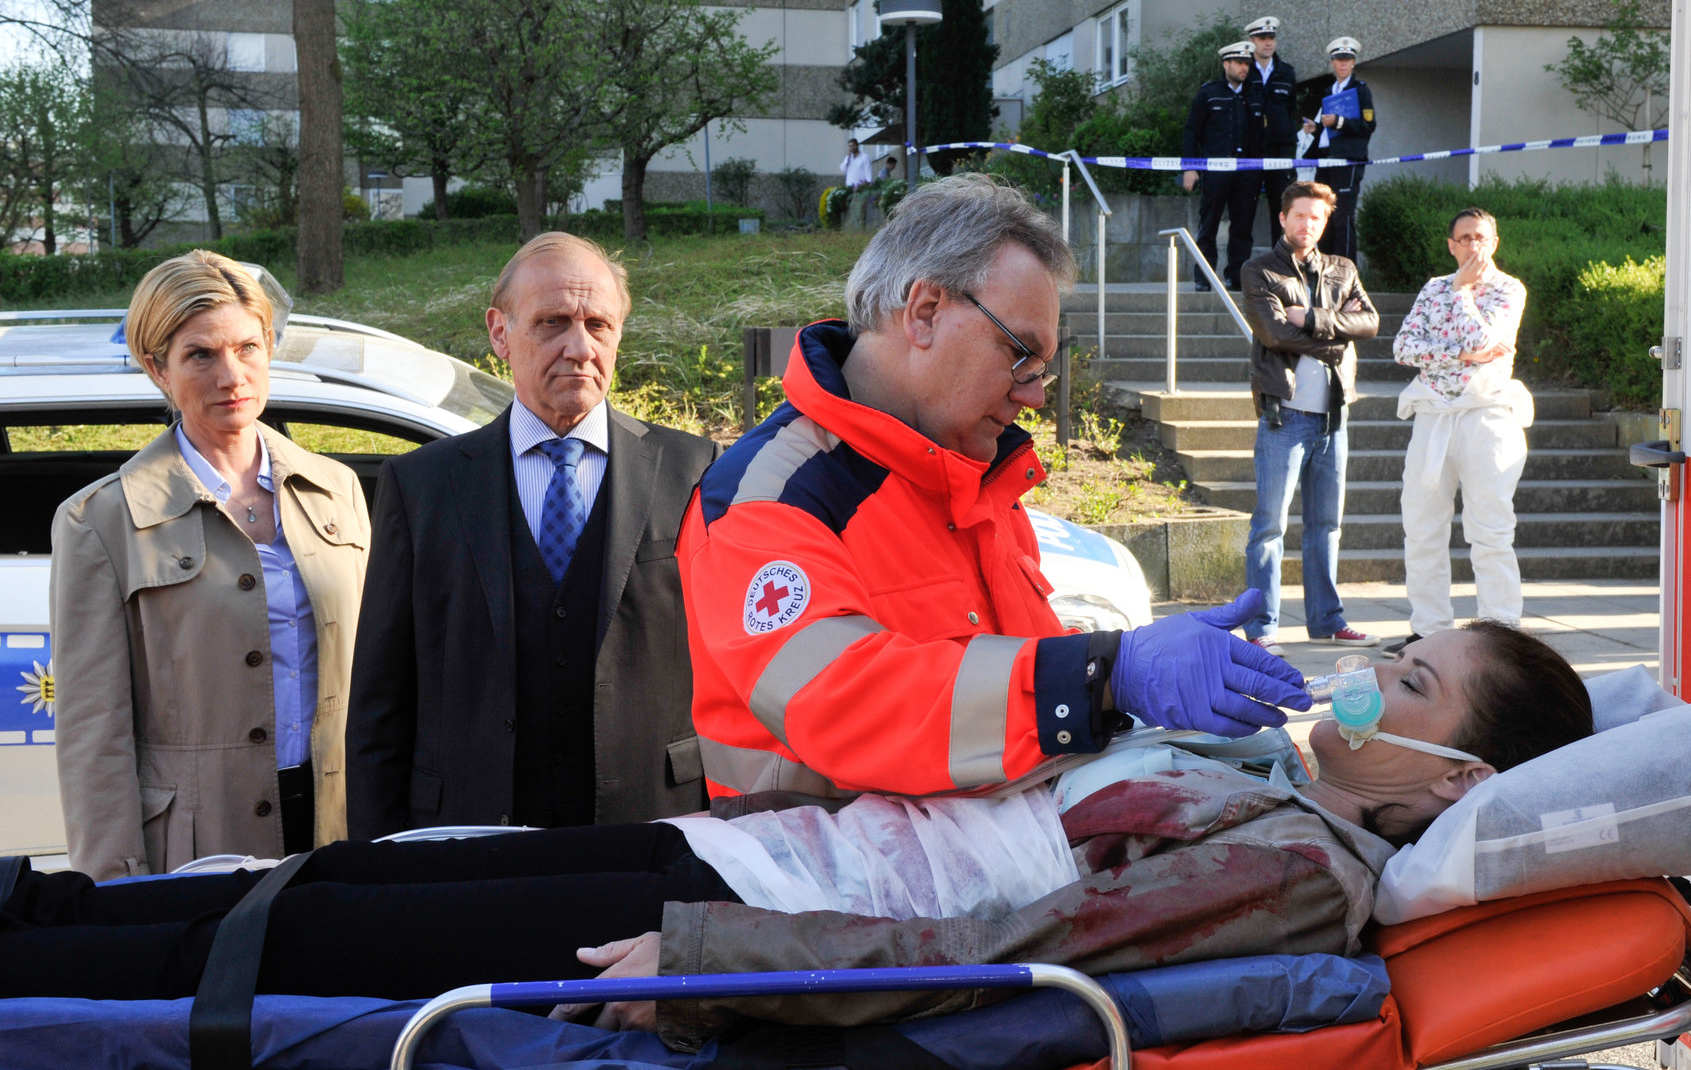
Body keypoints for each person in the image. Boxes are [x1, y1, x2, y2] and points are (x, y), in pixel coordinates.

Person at [0, 621, 1594, 1055]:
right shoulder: (1263, 770)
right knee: (333, 882)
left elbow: (1011, 957)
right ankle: (31, 915)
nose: (1374, 672)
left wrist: (712, 967)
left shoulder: (1298, 870)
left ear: (1453, 780)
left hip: (732, 920)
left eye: (1414, 679)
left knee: (304, 945)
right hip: (750, 855)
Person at [677, 173, 1307, 803]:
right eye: (1020, 356)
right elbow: (845, 703)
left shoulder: (970, 478)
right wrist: (1107, 672)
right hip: (819, 883)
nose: (1034, 394)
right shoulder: (768, 498)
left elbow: (1015, 676)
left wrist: (1121, 681)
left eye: (1043, 370)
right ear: (925, 312)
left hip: (974, 873)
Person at [346, 232, 720, 839]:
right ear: (500, 333)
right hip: (469, 839)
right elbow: (380, 703)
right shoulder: (423, 486)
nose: (579, 347)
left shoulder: (694, 470)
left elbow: (731, 666)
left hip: (652, 827)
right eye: (552, 323)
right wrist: (374, 863)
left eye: (598, 324)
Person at [49, 251, 371, 881]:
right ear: (157, 368)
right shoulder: (99, 520)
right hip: (196, 848)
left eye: (248, 347)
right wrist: (115, 891)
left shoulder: (338, 489)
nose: (233, 375)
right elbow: (95, 739)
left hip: (340, 827)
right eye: (201, 355)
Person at [1239, 180, 1380, 654]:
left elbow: (1372, 323)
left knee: (1326, 525)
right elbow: (1273, 333)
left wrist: (1313, 318)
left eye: (1316, 218)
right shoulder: (1258, 270)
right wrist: (1336, 334)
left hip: (1333, 417)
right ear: (1282, 218)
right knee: (1269, 527)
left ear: (1325, 222)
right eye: (1299, 215)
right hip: (1285, 417)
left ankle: (1327, 620)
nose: (1307, 224)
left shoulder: (1342, 269)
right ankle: (1261, 629)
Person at [1389, 208, 1531, 654]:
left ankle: (1501, 631)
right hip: (1433, 416)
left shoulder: (1509, 289)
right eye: (1465, 238)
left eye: (1481, 238)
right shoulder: (1433, 288)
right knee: (1422, 527)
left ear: (1495, 242)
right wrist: (1465, 352)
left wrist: (1463, 295)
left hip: (1486, 417)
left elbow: (1484, 344)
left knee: (1490, 529)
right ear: (1451, 245)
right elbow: (1403, 348)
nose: (1473, 246)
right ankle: (1428, 629)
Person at [1181, 41, 1268, 292]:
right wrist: (1190, 167)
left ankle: (1236, 277)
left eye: (1247, 64)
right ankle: (1204, 277)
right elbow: (1191, 131)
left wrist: (1259, 169)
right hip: (1215, 170)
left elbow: (1261, 135)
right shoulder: (1209, 93)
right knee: (1208, 225)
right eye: (1239, 63)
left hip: (1246, 172)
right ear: (1226, 64)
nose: (1244, 68)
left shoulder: (1253, 94)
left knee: (1243, 227)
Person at [1297, 37, 1375, 261]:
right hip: (1326, 158)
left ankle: (1346, 270)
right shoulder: (1328, 90)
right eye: (1339, 60)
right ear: (1332, 63)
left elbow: (1368, 125)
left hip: (1347, 159)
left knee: (1343, 218)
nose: (1343, 64)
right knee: (1324, 216)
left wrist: (1339, 122)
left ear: (1353, 63)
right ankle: (1324, 267)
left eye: (1347, 60)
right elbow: (1329, 127)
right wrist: (1317, 126)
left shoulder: (1360, 90)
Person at [1243, 16, 1298, 250]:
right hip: (1250, 149)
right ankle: (1237, 272)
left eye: (1271, 38)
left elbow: (1291, 109)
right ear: (1252, 40)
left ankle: (1282, 264)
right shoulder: (1245, 70)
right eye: (1262, 38)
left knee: (1282, 209)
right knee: (1244, 208)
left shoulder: (1286, 72)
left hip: (1279, 149)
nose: (1268, 43)